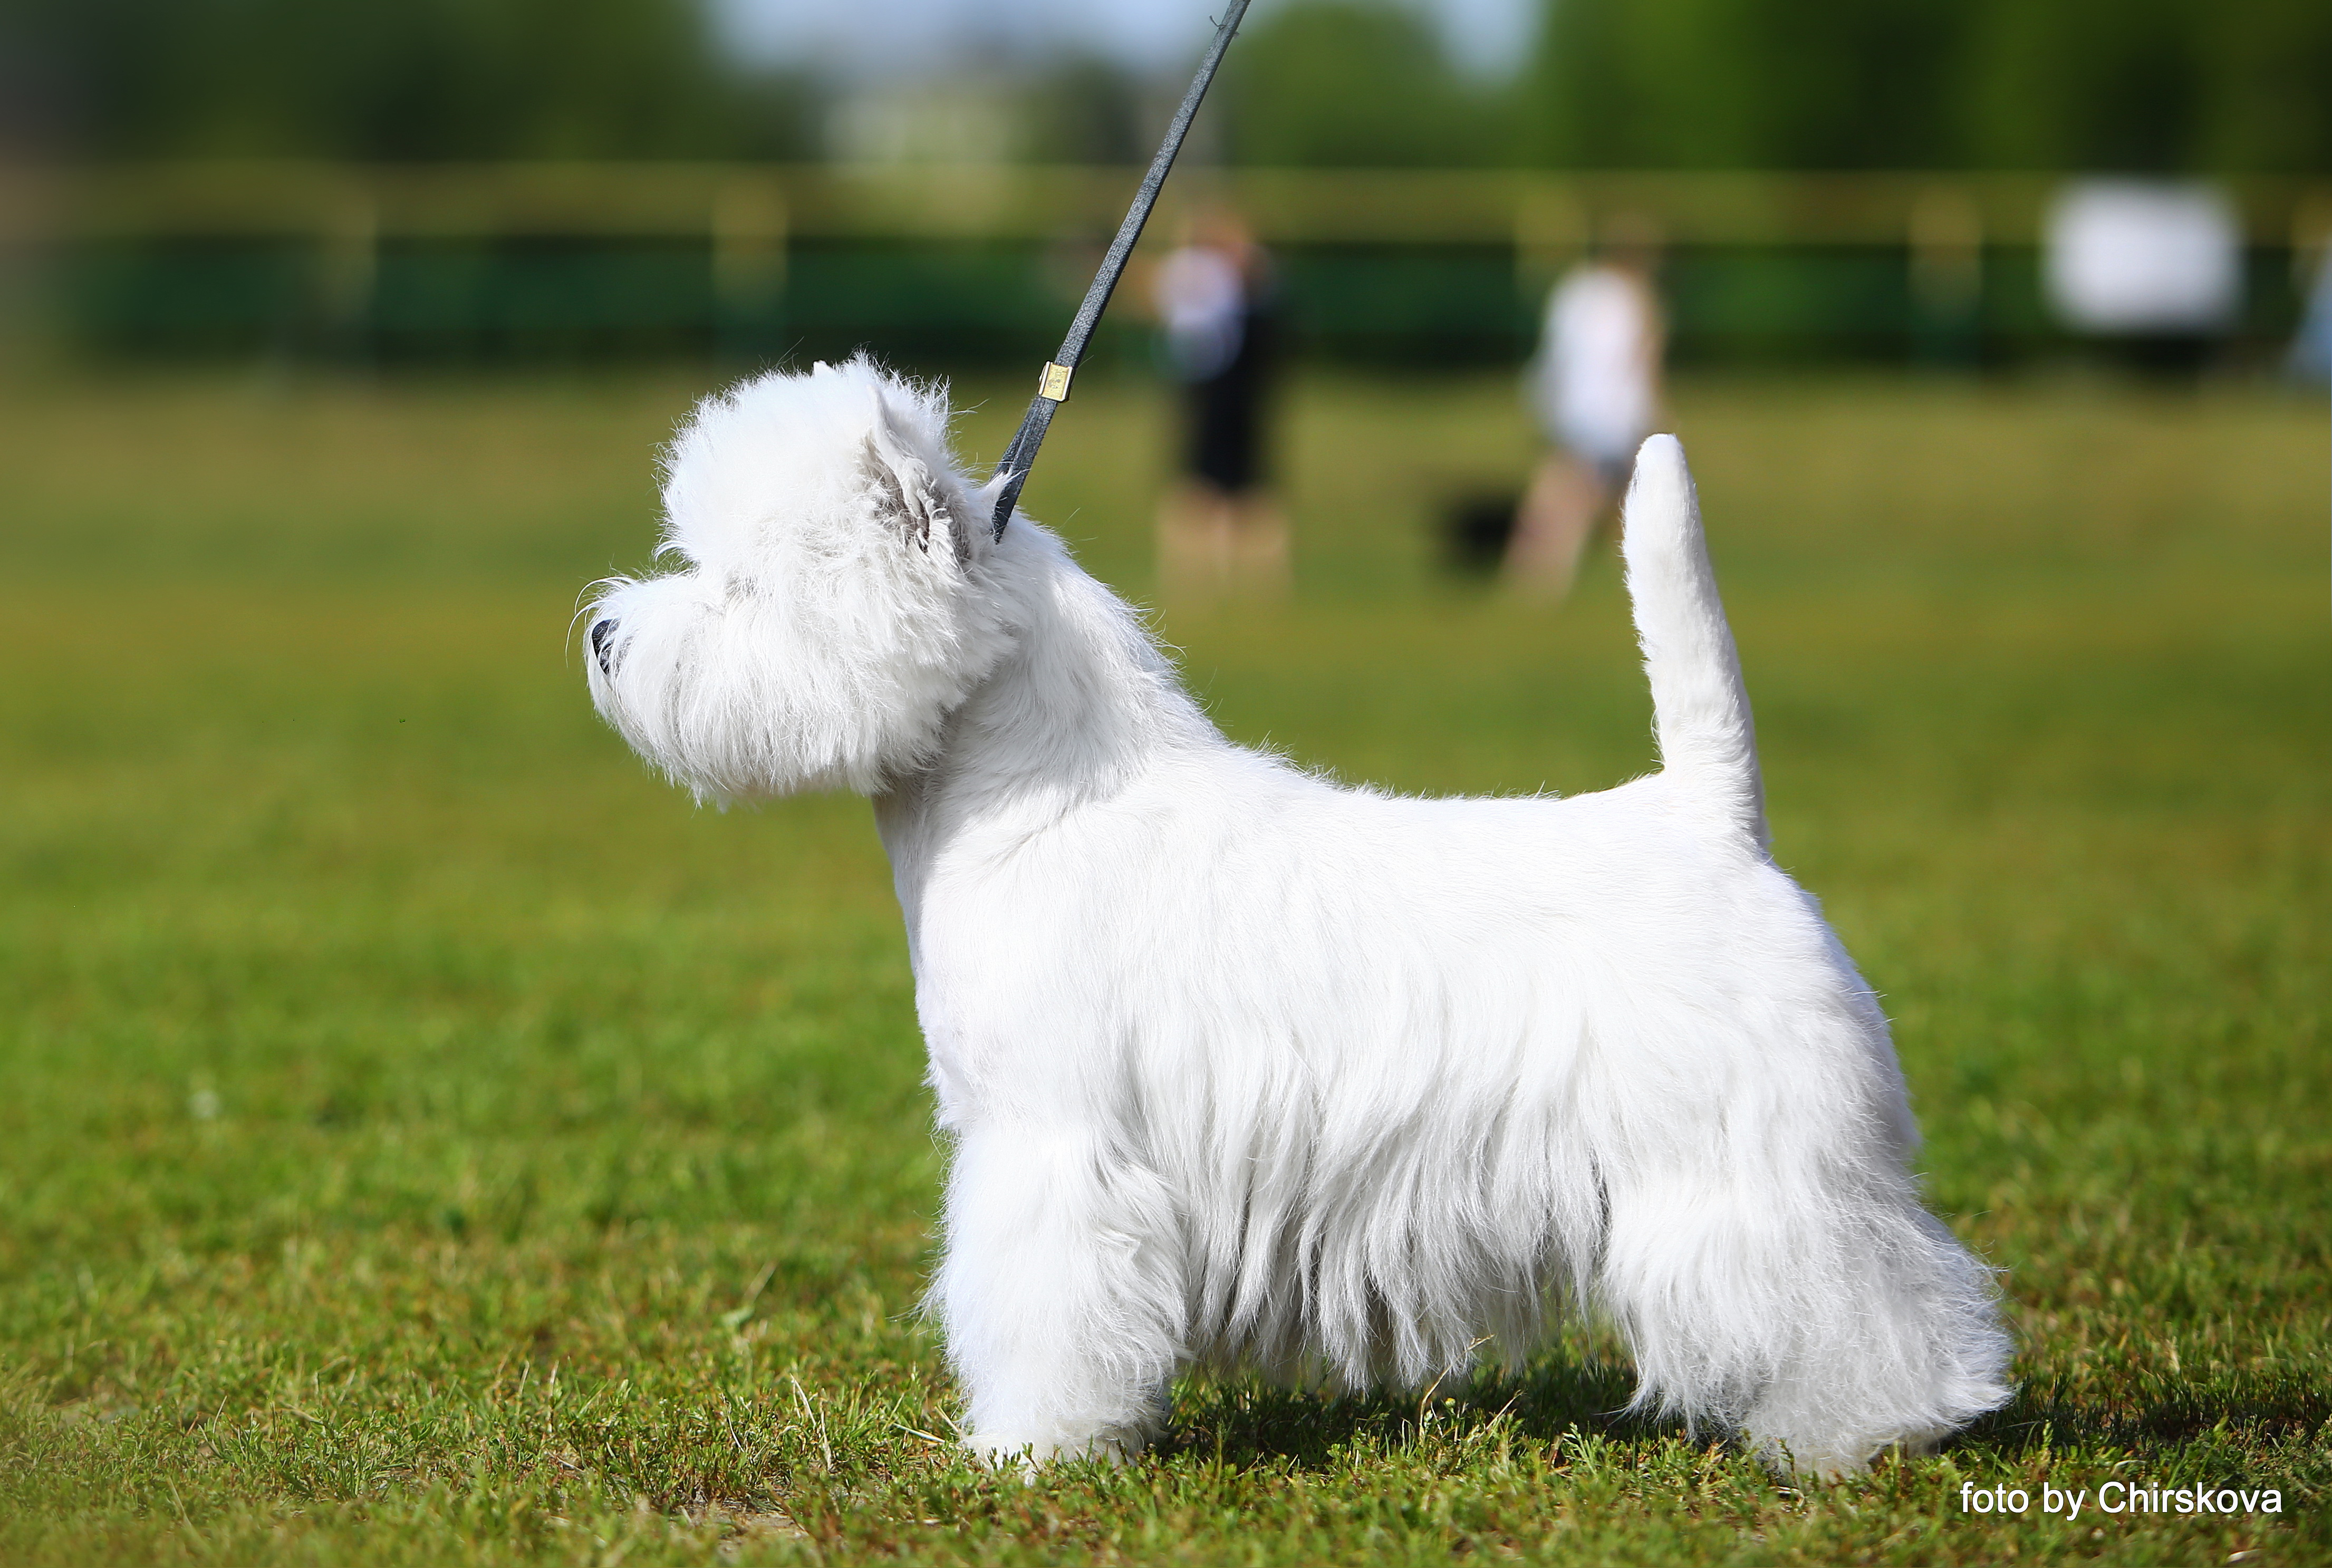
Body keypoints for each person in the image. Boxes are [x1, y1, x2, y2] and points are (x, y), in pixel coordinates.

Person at [1509, 222, 1666, 598]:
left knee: (1564, 489)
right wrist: (1656, 414)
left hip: (1566, 406)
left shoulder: (1576, 288)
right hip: (1611, 415)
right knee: (1586, 499)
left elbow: (1556, 350)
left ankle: (1528, 574)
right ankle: (1543, 584)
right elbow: (1641, 362)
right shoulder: (1637, 298)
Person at [1152, 207, 1287, 596]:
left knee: (1249, 491)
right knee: (1199, 487)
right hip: (1206, 397)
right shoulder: (1199, 283)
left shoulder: (1256, 293)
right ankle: (1195, 581)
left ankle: (1258, 585)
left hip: (1242, 401)